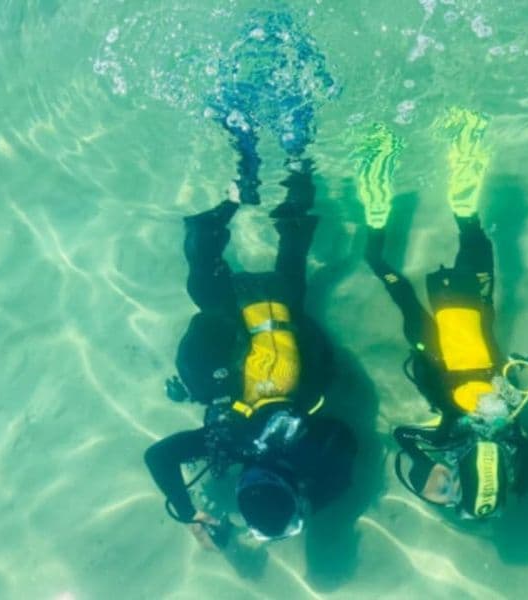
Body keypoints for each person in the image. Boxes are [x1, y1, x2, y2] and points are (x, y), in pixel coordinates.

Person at [145, 11, 355, 548]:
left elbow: (346, 440)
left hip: (282, 302)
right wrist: (187, 510)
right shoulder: (229, 445)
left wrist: (314, 487)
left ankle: (293, 149)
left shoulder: (305, 448)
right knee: (209, 264)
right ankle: (240, 169)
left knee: (292, 230)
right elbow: (160, 457)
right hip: (233, 310)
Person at [353, 109, 528, 520]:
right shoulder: (450, 436)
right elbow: (401, 434)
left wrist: (519, 485)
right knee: (379, 261)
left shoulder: (507, 426)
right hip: (429, 336)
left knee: (470, 228)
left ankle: (461, 130)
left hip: (472, 308)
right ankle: (378, 152)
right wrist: (428, 469)